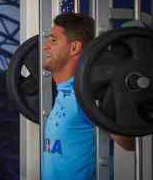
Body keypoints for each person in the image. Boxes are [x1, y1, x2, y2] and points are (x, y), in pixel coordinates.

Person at [42, 12, 134, 180]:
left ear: (74, 48)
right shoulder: (62, 90)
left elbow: (129, 143)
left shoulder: (88, 95)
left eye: (53, 40)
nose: (45, 46)